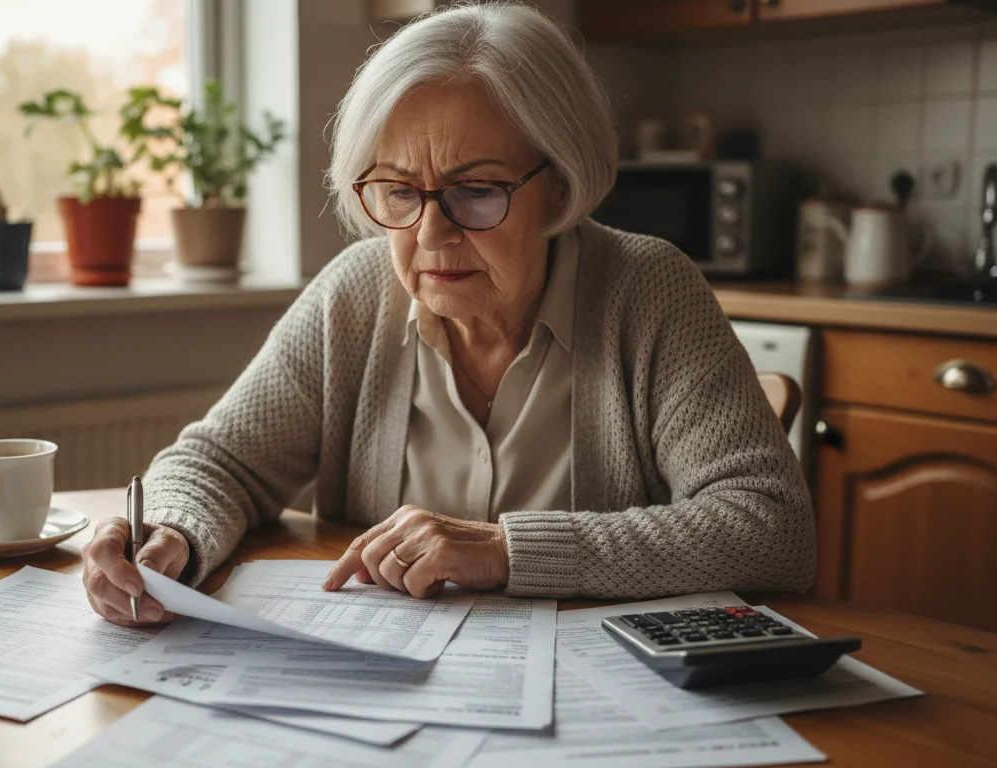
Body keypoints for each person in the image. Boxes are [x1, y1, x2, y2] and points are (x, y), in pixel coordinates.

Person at [82, 2, 814, 626]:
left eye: (477, 190)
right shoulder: (356, 295)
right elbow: (220, 462)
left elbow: (771, 528)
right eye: (399, 191)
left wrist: (506, 550)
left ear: (558, 188)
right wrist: (171, 529)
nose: (431, 234)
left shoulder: (649, 291)